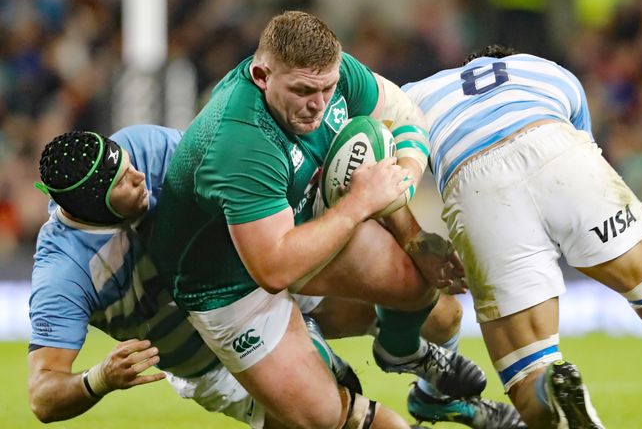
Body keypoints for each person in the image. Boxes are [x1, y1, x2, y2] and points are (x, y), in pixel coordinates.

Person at [150, 10, 493, 429]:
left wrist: (401, 195)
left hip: (297, 226)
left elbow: (405, 115)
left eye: (327, 88)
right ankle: (309, 345)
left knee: (421, 288)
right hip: (227, 284)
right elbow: (274, 270)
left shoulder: (332, 73)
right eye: (302, 91)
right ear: (261, 75)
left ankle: (400, 352)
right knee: (324, 419)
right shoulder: (240, 142)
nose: (318, 105)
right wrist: (358, 205)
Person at [401, 44, 642, 429]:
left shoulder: (415, 93)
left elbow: (391, 178)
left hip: (475, 184)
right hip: (557, 150)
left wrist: (417, 240)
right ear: (508, 58)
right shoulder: (548, 71)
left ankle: (552, 395)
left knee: (527, 373)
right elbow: (583, 153)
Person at [27, 126, 408, 428]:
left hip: (251, 283)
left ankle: (425, 365)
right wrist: (100, 379)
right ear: (96, 208)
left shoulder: (145, 145)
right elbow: (42, 396)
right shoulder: (64, 272)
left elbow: (225, 178)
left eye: (128, 163)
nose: (139, 174)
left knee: (395, 300)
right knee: (329, 418)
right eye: (123, 182)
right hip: (210, 366)